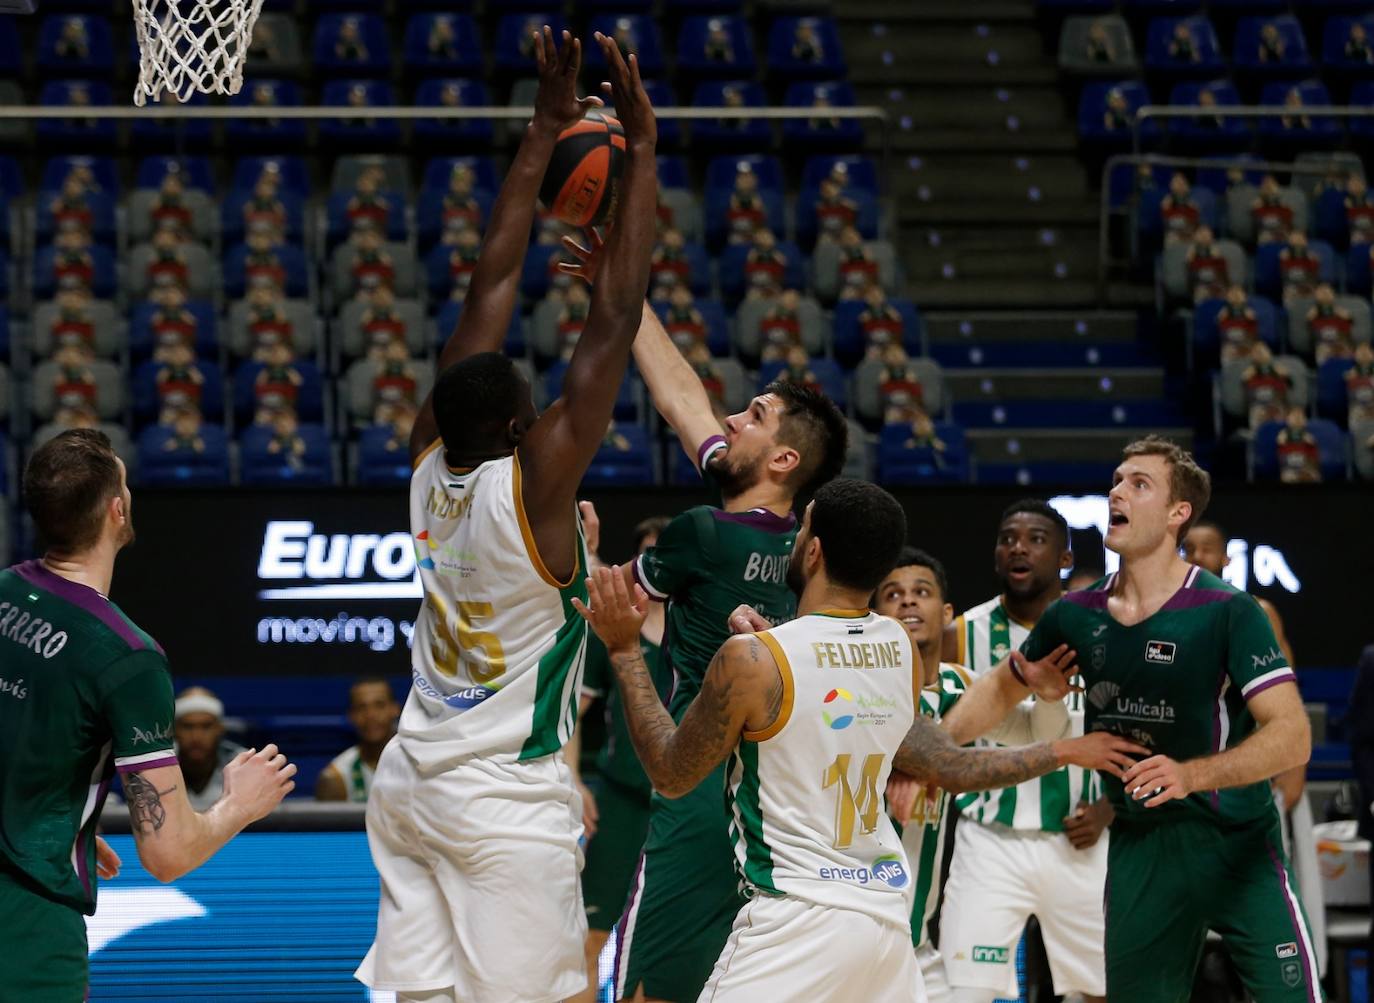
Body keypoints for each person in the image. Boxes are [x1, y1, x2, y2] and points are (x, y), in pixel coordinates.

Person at [572, 480, 1146, 1001]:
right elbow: (927, 745)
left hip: (793, 924)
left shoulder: (752, 661)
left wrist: (624, 651)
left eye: (803, 530)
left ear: (814, 551)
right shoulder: (895, 647)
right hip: (883, 925)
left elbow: (673, 774)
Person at [355, 29, 659, 1003]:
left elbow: (489, 283)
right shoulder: (534, 492)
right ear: (526, 428)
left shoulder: (422, 459)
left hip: (409, 784)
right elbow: (611, 326)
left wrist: (541, 130)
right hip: (502, 804)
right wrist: (641, 154)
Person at [559, 245, 848, 1002]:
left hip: (696, 785)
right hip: (793, 808)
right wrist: (623, 295)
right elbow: (681, 399)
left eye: (751, 416)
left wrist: (585, 552)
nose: (727, 419)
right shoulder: (819, 544)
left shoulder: (701, 531)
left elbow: (616, 604)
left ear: (781, 457)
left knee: (650, 989)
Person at [944, 436, 1319, 1002]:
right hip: (1140, 848)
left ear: (1177, 514)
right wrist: (937, 753)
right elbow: (998, 687)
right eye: (1117, 480)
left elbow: (1293, 736)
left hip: (1235, 842)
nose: (1117, 492)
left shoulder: (1229, 612)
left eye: (1139, 484)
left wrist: (1191, 775)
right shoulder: (1075, 613)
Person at [0, 430, 295, 1001]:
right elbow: (167, 853)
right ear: (117, 510)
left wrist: (62, 822)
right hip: (27, 927)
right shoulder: (127, 657)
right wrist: (241, 805)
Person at [874, 548, 1097, 1002]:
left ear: (947, 613)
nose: (909, 602)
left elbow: (1033, 729)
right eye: (893, 595)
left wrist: (1050, 697)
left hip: (914, 938)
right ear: (875, 614)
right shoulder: (860, 688)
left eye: (921, 592)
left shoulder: (959, 687)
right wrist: (921, 761)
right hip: (855, 921)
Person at [937, 500, 1110, 1003]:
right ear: (996, 558)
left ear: (1064, 558)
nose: (1018, 546)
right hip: (988, 840)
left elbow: (1139, 730)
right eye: (1008, 538)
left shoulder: (1103, 629)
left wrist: (1111, 808)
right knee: (963, 991)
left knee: (1101, 991)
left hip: (1084, 837)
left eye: (1036, 538)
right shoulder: (961, 634)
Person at [570, 515, 672, 1003]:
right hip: (621, 801)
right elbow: (570, 711)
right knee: (588, 939)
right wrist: (572, 779)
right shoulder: (610, 631)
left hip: (682, 809)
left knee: (658, 948)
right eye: (646, 556)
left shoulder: (708, 629)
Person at [315, 678, 400, 803]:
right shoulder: (335, 777)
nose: (371, 715)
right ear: (351, 715)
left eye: (379, 705)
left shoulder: (421, 763)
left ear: (395, 709)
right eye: (361, 707)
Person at [173, 687, 248, 811]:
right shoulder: (154, 767)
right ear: (174, 730)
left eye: (206, 726)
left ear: (220, 729)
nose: (196, 737)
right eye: (187, 727)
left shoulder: (245, 765)